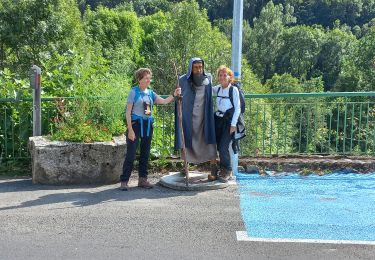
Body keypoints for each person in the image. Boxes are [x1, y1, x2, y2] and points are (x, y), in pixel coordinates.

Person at [120, 68, 180, 190]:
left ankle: (142, 180)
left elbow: (163, 101)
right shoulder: (133, 92)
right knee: (131, 155)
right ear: (139, 79)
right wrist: (130, 130)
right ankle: (124, 181)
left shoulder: (150, 93)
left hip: (148, 126)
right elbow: (128, 112)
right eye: (146, 78)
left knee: (145, 154)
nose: (149, 80)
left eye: (149, 78)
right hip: (136, 125)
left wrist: (174, 94)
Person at [174, 57, 217, 177]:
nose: (199, 70)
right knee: (187, 139)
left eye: (200, 67)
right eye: (196, 67)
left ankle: (213, 168)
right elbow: (177, 97)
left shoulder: (208, 78)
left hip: (204, 116)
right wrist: (177, 96)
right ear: (190, 68)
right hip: (188, 116)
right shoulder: (182, 80)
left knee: (209, 139)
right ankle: (186, 167)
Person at [212, 65, 241, 182]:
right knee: (218, 146)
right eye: (220, 75)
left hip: (228, 122)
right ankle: (222, 169)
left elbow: (237, 108)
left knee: (224, 146)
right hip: (218, 121)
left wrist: (233, 125)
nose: (223, 77)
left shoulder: (233, 90)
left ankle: (228, 170)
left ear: (230, 77)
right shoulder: (218, 88)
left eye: (225, 75)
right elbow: (205, 88)